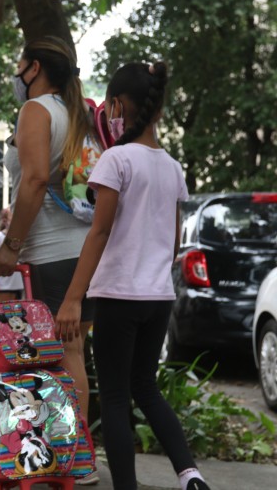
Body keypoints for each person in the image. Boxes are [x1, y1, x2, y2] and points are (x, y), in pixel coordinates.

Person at [56, 62, 210, 490]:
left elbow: (100, 232)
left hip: (118, 297)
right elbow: (173, 241)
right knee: (147, 387)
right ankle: (190, 475)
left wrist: (72, 298)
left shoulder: (115, 160)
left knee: (117, 398)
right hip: (158, 298)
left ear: (117, 105)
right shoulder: (173, 167)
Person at [0, 36, 98, 485]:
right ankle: (75, 454)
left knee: (60, 357)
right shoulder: (79, 114)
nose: (16, 72)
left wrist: (11, 245)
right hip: (84, 251)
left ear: (34, 68)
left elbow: (34, 181)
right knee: (73, 354)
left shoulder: (36, 111)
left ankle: (72, 460)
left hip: (52, 255)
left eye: (20, 63)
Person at [0, 207, 25, 301]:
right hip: (4, 285)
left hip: (19, 284)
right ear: (5, 221)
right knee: (4, 313)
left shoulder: (21, 239)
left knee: (17, 314)